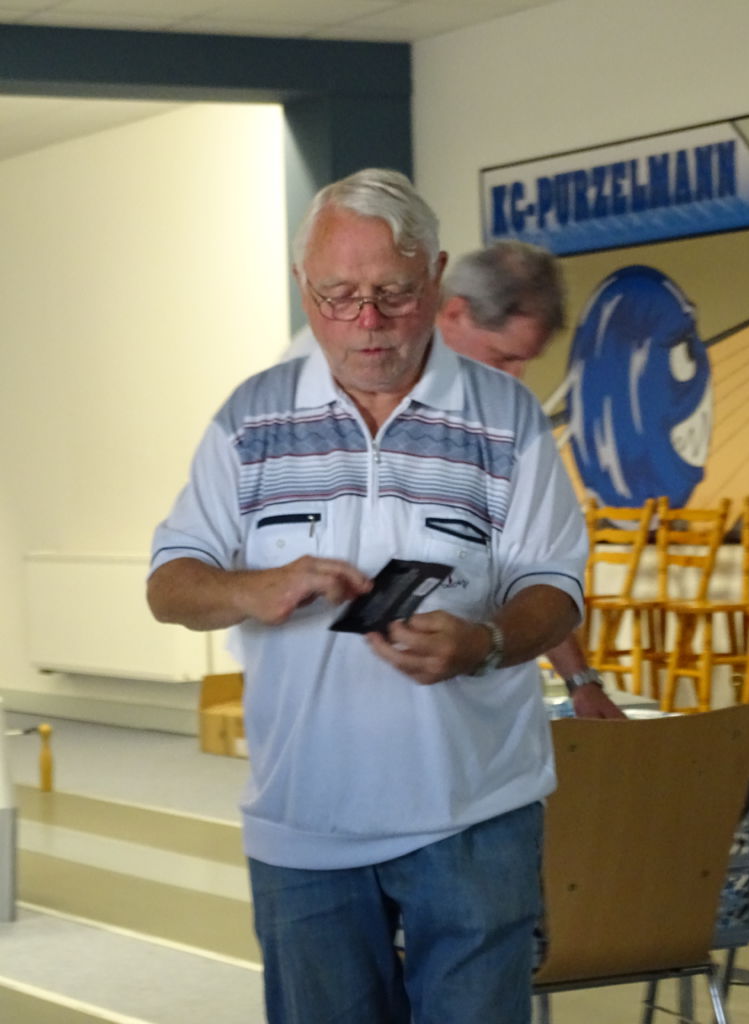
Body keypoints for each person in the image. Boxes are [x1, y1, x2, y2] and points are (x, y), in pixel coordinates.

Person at [147, 168, 587, 1024]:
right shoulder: (251, 418)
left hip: (474, 815)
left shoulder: (507, 418)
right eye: (338, 296)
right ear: (302, 288)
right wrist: (255, 587)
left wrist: (485, 643)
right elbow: (171, 583)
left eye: (393, 293)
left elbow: (555, 587)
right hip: (304, 823)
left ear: (438, 278)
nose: (367, 322)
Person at [438, 241, 625, 720]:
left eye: (525, 361)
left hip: (491, 698)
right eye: (503, 358)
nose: (517, 377)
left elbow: (534, 568)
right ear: (454, 314)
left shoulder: (507, 419)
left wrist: (580, 681)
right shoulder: (364, 397)